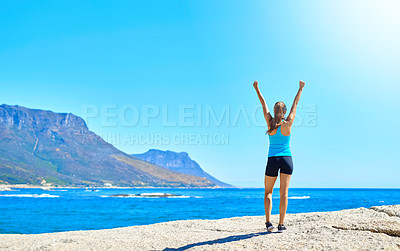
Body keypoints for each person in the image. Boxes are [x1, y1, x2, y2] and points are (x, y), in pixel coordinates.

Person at [253, 80, 305, 232]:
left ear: (274, 111)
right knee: (284, 193)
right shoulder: (288, 123)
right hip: (287, 159)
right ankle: (281, 225)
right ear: (284, 112)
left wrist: (257, 88)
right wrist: (300, 88)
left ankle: (269, 223)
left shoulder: (270, 123)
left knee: (268, 192)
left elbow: (263, 104)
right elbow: (296, 104)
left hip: (272, 160)